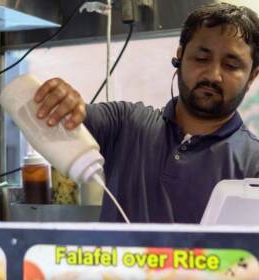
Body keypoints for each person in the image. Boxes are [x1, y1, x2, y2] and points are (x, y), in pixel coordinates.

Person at [33, 3, 259, 223]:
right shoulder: (124, 124)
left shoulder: (254, 163)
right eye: (201, 58)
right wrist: (61, 102)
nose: (213, 75)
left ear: (252, 76)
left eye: (231, 65)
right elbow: (54, 121)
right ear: (180, 56)